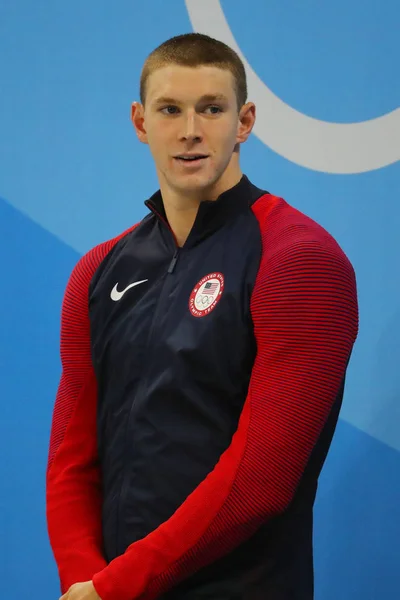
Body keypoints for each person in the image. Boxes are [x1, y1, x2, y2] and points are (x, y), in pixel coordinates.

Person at [46, 33, 359, 600]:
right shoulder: (97, 271)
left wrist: (114, 588)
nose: (191, 129)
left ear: (245, 121)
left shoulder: (299, 261)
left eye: (211, 109)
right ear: (141, 123)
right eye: (170, 109)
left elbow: (260, 480)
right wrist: (81, 581)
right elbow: (72, 453)